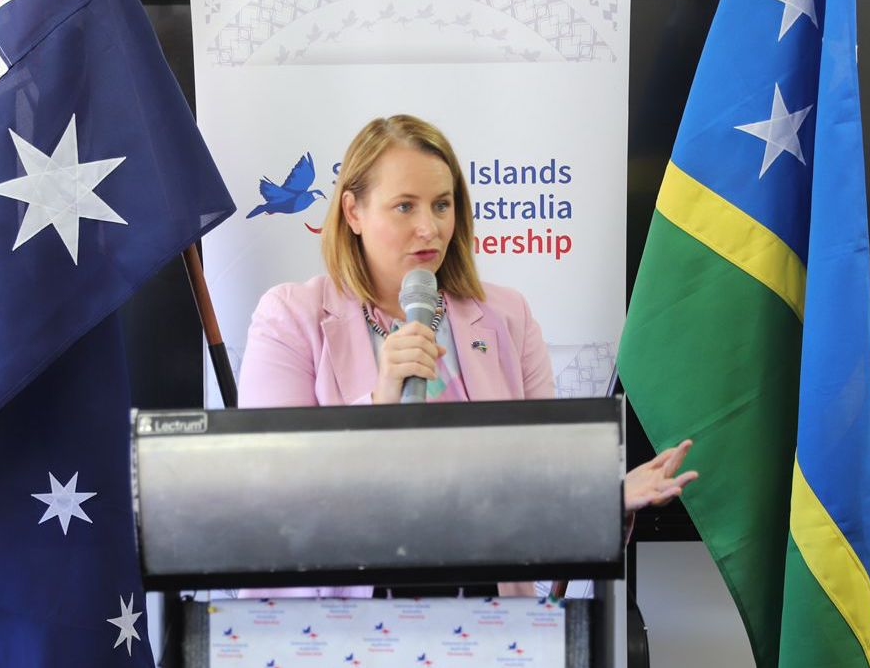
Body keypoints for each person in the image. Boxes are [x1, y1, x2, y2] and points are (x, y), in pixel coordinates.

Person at [236, 115, 697, 597]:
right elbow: (269, 485)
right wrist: (378, 401)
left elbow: (540, 485)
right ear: (353, 212)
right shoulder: (292, 316)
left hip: (487, 609)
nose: (428, 228)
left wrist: (605, 502)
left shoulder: (507, 316)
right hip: (337, 614)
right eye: (404, 206)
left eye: (442, 205)